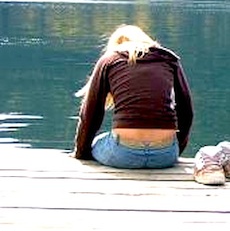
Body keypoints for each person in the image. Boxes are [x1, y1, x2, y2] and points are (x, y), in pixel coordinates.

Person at [72, 24, 193, 169]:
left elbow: (91, 115)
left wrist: (81, 153)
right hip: (165, 156)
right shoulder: (169, 59)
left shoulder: (109, 60)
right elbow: (186, 112)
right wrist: (175, 148)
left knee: (98, 142)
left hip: (122, 154)